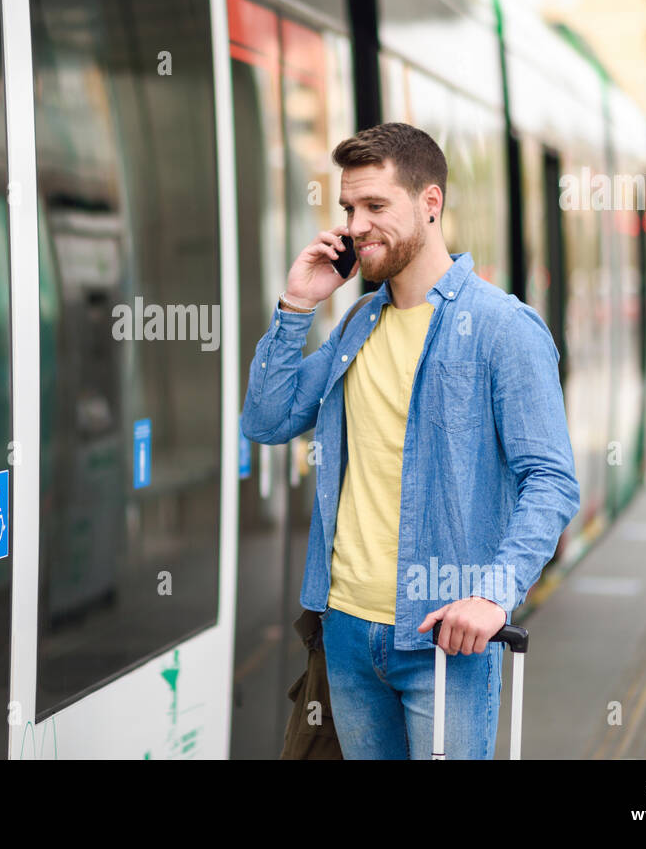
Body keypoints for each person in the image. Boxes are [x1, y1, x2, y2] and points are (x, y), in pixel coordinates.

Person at [241, 123, 579, 759]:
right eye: (348, 207)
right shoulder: (357, 324)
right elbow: (266, 420)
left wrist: (493, 594)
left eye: (375, 206)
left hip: (443, 642)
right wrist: (295, 306)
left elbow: (553, 480)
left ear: (430, 203)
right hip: (343, 631)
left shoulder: (503, 329)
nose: (357, 224)